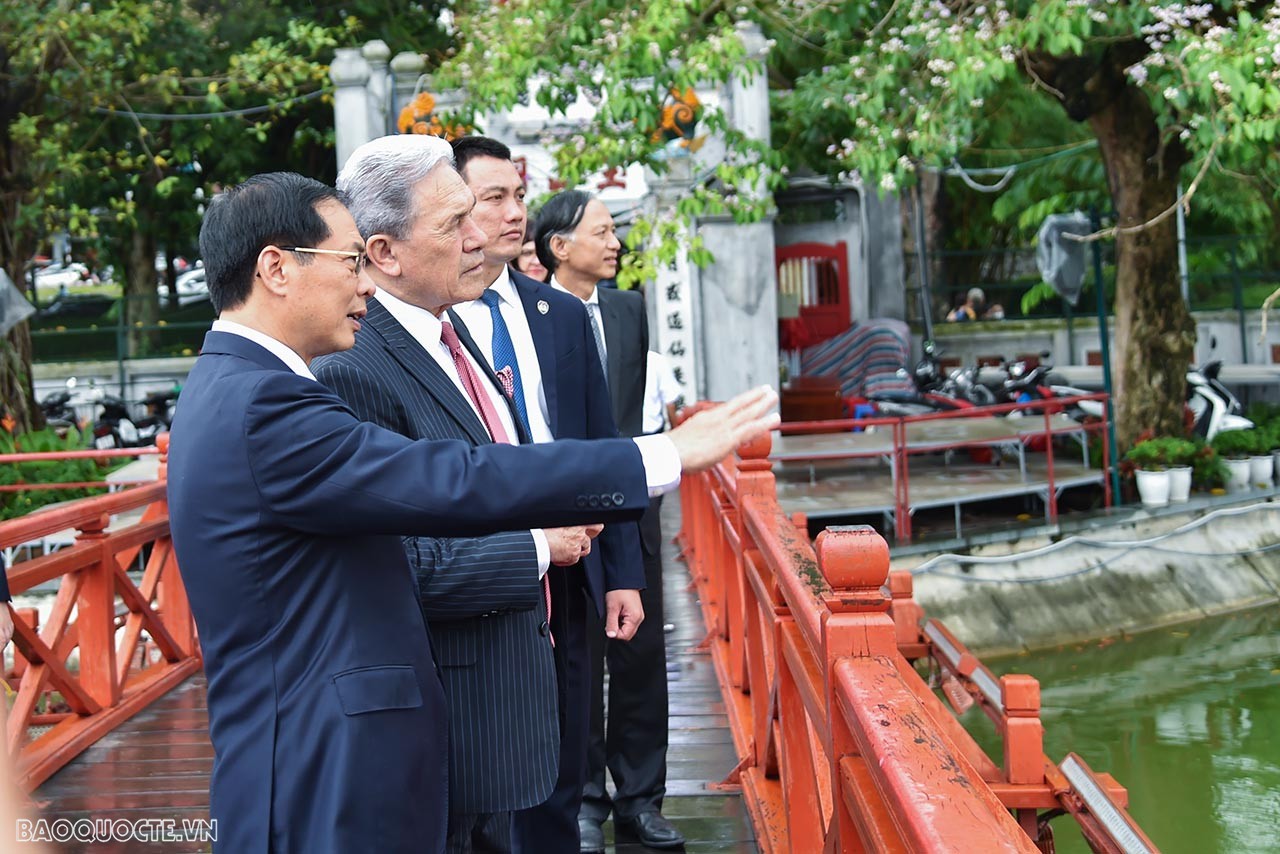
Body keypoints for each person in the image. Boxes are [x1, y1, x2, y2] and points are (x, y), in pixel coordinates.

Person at [165, 170, 780, 854]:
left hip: (324, 754)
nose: (364, 284)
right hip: (320, 766)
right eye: (350, 262)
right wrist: (655, 456)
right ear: (276, 268)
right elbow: (450, 476)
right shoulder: (264, 406)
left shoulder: (232, 386)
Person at [312, 134, 604, 853]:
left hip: (504, 697)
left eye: (481, 212)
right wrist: (542, 542)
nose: (482, 238)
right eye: (455, 223)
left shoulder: (445, 331)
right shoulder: (358, 368)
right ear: (383, 253)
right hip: (447, 716)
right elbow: (408, 566)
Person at [449, 136, 645, 854]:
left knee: (565, 741)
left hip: (572, 565)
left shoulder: (557, 315)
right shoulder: (432, 323)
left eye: (518, 197)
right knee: (489, 761)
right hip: (479, 566)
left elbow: (602, 452)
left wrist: (622, 574)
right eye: (493, 198)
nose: (514, 214)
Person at [535, 190, 682, 851]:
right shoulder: (537, 318)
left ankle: (643, 801)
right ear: (559, 246)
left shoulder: (629, 309)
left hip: (634, 508)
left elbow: (633, 412)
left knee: (642, 657)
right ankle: (587, 801)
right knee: (580, 654)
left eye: (615, 230)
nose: (616, 241)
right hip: (570, 513)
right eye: (602, 231)